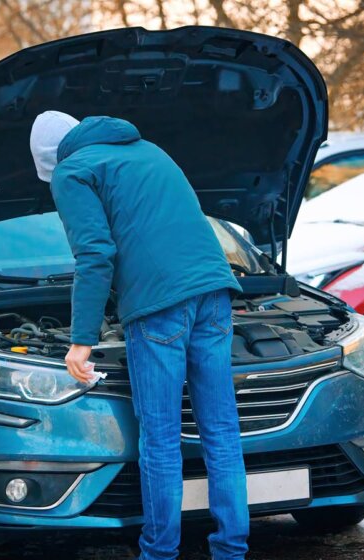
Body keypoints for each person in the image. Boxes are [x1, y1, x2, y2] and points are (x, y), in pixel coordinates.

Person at [29, 111, 249, 560]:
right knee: (222, 431)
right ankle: (231, 551)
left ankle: (159, 552)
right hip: (215, 292)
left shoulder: (72, 171)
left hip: (160, 304)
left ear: (49, 160)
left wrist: (82, 340)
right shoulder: (147, 149)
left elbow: (95, 254)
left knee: (162, 437)